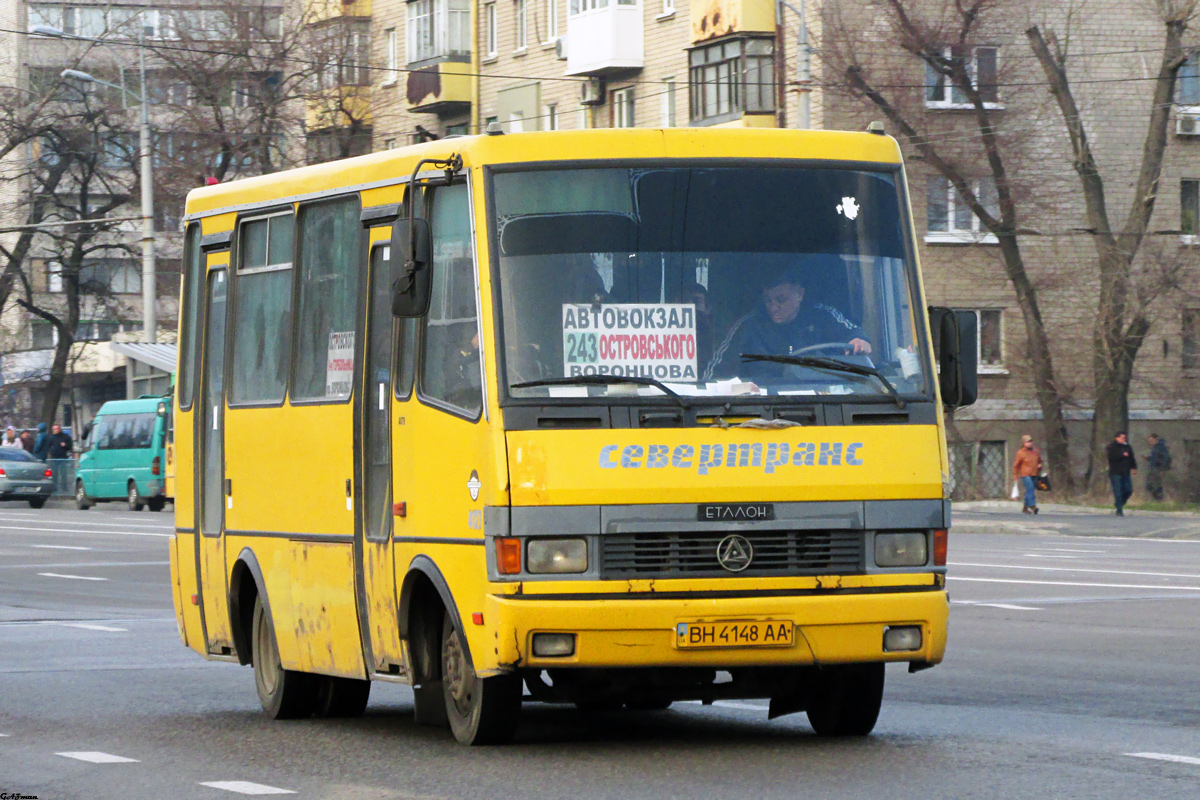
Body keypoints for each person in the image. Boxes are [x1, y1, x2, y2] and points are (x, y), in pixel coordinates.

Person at [704, 270, 871, 382]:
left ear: (800, 294)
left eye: (780, 300)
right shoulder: (748, 326)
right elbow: (715, 372)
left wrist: (859, 340)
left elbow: (852, 333)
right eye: (768, 301)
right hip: (761, 408)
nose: (773, 307)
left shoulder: (822, 316)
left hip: (821, 405)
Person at [1106, 431, 1138, 516]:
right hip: (1116, 472)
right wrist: (1122, 455)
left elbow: (1131, 457)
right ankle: (1119, 510)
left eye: (1125, 438)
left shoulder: (1127, 446)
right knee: (1118, 491)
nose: (1124, 439)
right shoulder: (1112, 446)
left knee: (1128, 490)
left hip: (1126, 472)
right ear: (1117, 438)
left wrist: (1134, 467)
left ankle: (1119, 503)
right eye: (1122, 438)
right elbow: (1111, 458)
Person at [1012, 434, 1043, 514]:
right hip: (1025, 474)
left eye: (1031, 441)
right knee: (1030, 488)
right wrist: (1015, 475)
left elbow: (1040, 460)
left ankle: (1025, 508)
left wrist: (1040, 465)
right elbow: (1016, 465)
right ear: (1024, 443)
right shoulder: (1020, 453)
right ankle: (1033, 506)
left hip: (1035, 473)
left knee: (1030, 490)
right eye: (1028, 442)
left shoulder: (1036, 451)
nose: (1030, 443)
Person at [1145, 434, 1171, 501]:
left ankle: (1159, 499)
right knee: (1150, 485)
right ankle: (1157, 498)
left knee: (1155, 484)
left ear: (1156, 439)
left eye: (1151, 440)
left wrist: (1162, 469)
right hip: (1154, 468)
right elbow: (1155, 458)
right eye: (1149, 440)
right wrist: (1149, 458)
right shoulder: (1156, 447)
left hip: (1158, 468)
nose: (1150, 442)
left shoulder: (1161, 447)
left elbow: (1165, 458)